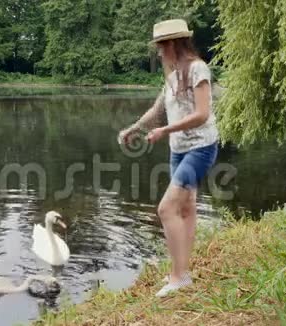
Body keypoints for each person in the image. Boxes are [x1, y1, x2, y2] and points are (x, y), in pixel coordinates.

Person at [118, 19, 219, 297]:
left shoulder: (198, 69)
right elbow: (157, 110)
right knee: (185, 208)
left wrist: (164, 130)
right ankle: (182, 270)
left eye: (160, 47)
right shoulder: (173, 77)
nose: (158, 53)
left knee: (166, 209)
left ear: (172, 44)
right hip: (179, 150)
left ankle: (178, 277)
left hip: (200, 148)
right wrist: (134, 128)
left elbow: (202, 114)